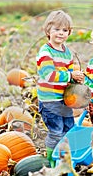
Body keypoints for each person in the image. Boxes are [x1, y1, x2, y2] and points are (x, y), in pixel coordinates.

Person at [36, 10, 84, 167]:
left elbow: (69, 73)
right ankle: (52, 160)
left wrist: (76, 79)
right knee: (56, 131)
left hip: (63, 100)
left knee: (69, 129)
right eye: (57, 29)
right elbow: (49, 75)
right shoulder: (45, 52)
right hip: (49, 101)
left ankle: (66, 158)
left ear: (69, 33)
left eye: (65, 30)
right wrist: (70, 76)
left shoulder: (67, 52)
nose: (60, 33)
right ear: (48, 31)